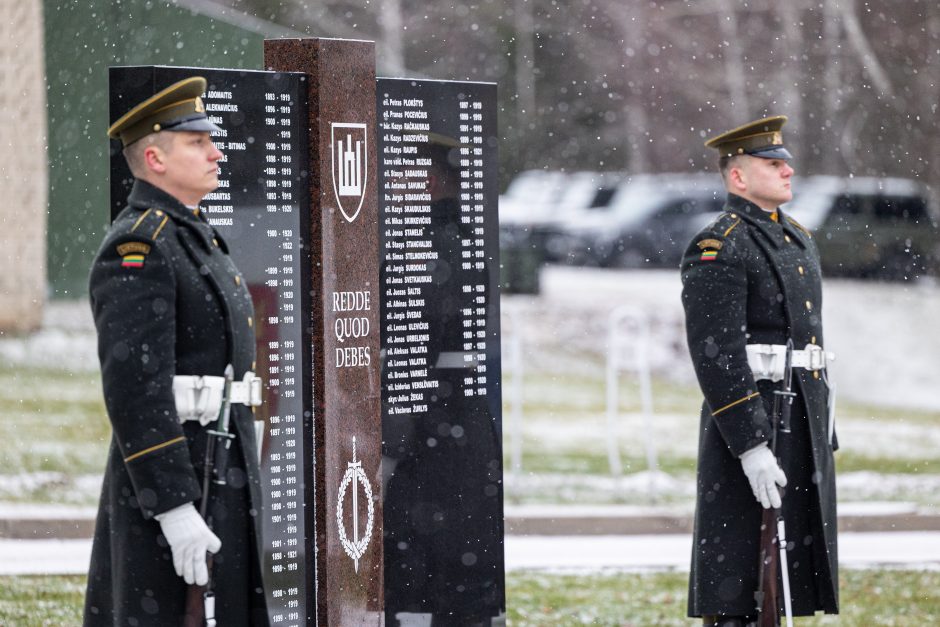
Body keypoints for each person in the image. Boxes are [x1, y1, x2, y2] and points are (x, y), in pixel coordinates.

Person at [83, 76, 267, 626]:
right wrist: (171, 503)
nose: (216, 152)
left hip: (221, 455)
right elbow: (134, 388)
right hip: (180, 469)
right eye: (197, 142)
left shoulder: (194, 236)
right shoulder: (139, 245)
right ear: (156, 158)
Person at [681, 116, 839, 626]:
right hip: (754, 420)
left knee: (791, 574)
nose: (787, 171)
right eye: (773, 164)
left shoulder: (796, 238)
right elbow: (716, 354)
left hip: (801, 418)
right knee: (743, 575)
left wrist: (825, 428)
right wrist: (750, 445)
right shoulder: (719, 244)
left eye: (786, 162)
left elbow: (807, 341)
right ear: (739, 177)